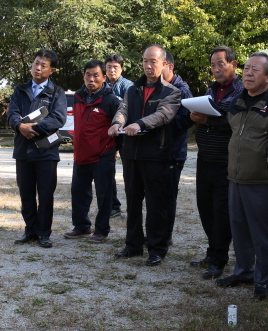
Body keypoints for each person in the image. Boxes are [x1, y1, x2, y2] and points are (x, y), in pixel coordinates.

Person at [218, 52, 268, 299]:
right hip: (237, 177)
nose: (249, 73)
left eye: (256, 69)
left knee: (264, 235)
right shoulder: (237, 99)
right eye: (247, 68)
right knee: (239, 229)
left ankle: (264, 280)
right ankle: (243, 271)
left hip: (266, 180)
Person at [109, 45, 181, 266]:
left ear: (164, 64)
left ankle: (157, 249)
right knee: (132, 201)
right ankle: (133, 245)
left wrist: (138, 124)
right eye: (145, 61)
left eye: (153, 62)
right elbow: (123, 108)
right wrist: (117, 123)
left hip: (156, 155)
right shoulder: (133, 89)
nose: (148, 66)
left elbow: (163, 115)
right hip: (131, 154)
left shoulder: (171, 92)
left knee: (156, 204)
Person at [190, 46, 244, 279]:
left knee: (222, 212)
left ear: (233, 64)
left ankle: (220, 260)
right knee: (205, 208)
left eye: (221, 64)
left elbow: (237, 123)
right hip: (205, 158)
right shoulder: (211, 90)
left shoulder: (241, 92)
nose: (216, 69)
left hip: (226, 160)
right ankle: (212, 252)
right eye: (213, 65)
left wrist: (208, 121)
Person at [8, 49, 68, 248]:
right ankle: (30, 230)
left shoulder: (57, 92)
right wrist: (20, 127)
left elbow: (58, 117)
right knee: (26, 193)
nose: (38, 68)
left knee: (45, 193)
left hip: (46, 151)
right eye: (36, 63)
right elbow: (12, 114)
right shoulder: (20, 90)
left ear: (51, 70)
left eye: (43, 65)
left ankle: (44, 233)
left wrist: (33, 128)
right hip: (23, 150)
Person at [64, 59, 120, 243]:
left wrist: (116, 150)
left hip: (103, 155)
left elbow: (119, 126)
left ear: (104, 77)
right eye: (88, 74)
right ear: (84, 76)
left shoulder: (110, 100)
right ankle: (81, 226)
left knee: (104, 195)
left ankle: (101, 230)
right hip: (81, 153)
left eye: (96, 75)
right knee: (79, 192)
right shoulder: (78, 96)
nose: (91, 78)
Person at [161, 50, 193, 240]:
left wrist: (160, 121)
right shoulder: (156, 86)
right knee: (156, 196)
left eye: (158, 64)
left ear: (169, 66)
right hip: (156, 152)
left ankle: (165, 236)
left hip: (173, 152)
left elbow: (187, 120)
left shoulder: (182, 89)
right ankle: (157, 233)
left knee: (167, 196)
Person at [104, 53, 131, 217]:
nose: (112, 70)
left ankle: (132, 207)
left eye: (115, 67)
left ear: (121, 68)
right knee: (107, 170)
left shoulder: (129, 86)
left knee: (130, 172)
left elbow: (131, 110)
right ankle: (113, 205)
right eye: (109, 67)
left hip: (125, 133)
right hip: (107, 133)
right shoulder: (101, 84)